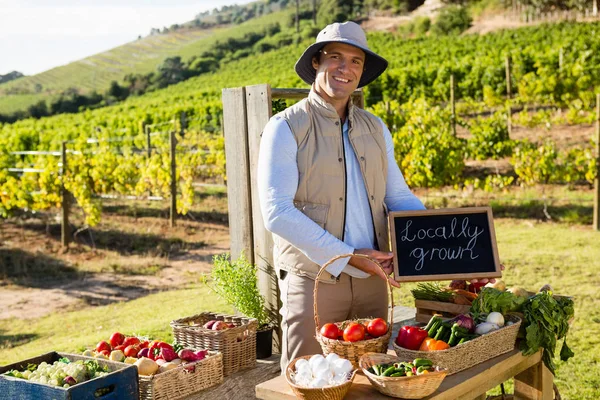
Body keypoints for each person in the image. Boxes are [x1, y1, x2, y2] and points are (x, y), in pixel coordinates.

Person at [257, 21, 496, 371]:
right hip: (315, 281)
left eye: (355, 61)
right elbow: (277, 212)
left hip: (373, 280)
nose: (346, 68)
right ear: (316, 63)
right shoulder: (286, 127)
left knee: (372, 377)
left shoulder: (375, 127)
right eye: (335, 57)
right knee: (307, 377)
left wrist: (462, 257)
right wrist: (349, 255)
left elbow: (397, 196)